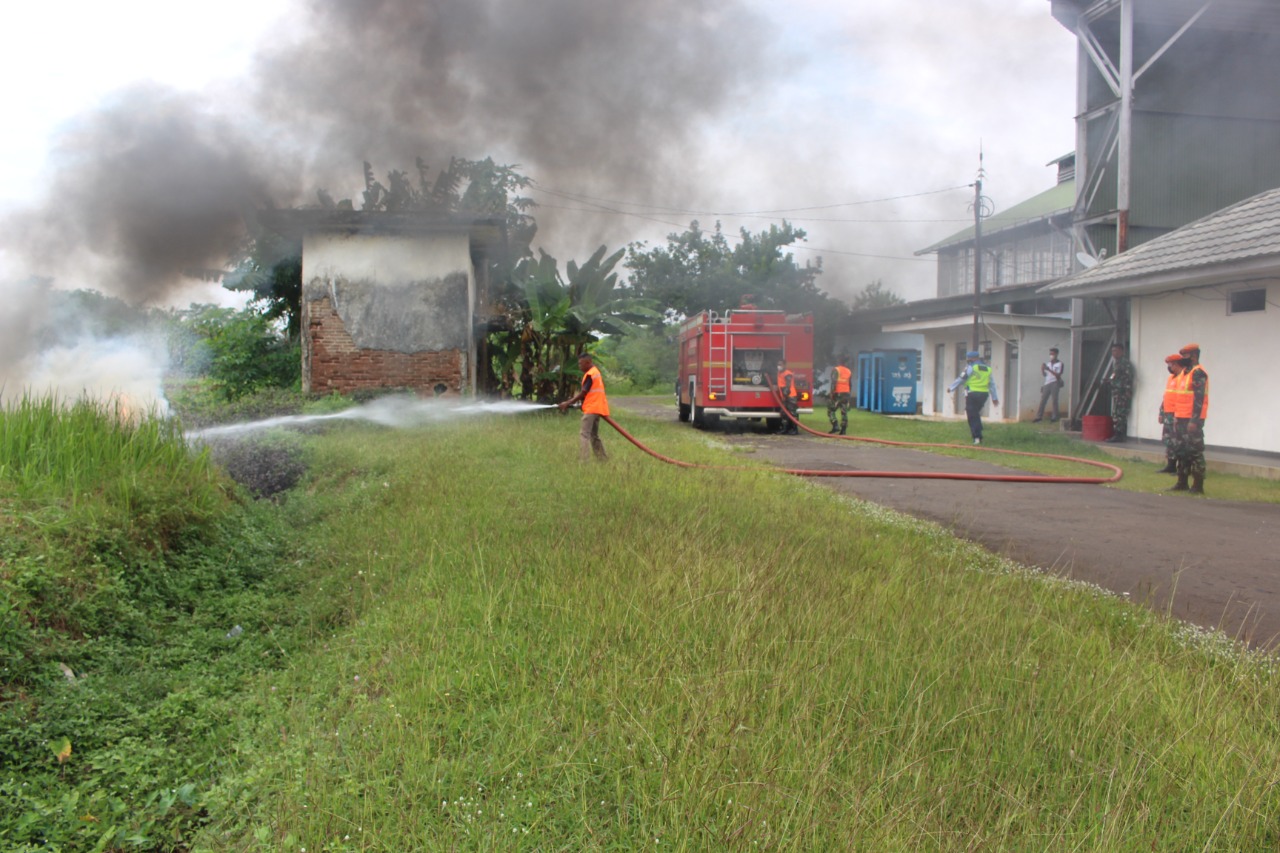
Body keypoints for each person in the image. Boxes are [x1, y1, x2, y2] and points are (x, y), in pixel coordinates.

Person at [1170, 343, 1209, 494]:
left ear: (1193, 355)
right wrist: (1175, 417)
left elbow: (1198, 399)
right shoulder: (1184, 374)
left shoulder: (1198, 373)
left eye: (1185, 355)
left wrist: (1194, 420)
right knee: (1182, 451)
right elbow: (1180, 398)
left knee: (1195, 452)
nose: (1182, 358)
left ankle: (1198, 485)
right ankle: (1182, 482)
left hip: (1192, 420)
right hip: (1180, 418)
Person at [558, 352, 609, 461]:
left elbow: (583, 393)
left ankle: (584, 461)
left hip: (592, 409)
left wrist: (567, 403)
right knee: (594, 436)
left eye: (581, 364)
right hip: (597, 408)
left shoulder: (590, 374)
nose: (579, 366)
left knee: (584, 434)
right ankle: (603, 459)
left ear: (588, 362)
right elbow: (590, 394)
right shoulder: (595, 372)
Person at [948, 350, 999, 445]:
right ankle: (978, 431)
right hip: (984, 395)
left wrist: (951, 388)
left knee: (972, 415)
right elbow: (991, 384)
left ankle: (977, 437)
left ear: (972, 358)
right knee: (975, 414)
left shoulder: (971, 367)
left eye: (968, 358)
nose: (968, 360)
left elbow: (962, 378)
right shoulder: (987, 368)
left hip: (972, 394)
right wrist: (994, 397)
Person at [1156, 353, 1187, 474]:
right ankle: (1171, 465)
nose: (1169, 367)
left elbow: (1182, 398)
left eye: (1170, 365)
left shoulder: (1183, 377)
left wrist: (1177, 415)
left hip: (1176, 415)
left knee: (1178, 441)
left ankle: (1180, 467)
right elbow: (1166, 396)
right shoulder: (1171, 378)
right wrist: (1161, 412)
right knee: (1169, 440)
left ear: (1177, 364)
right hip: (1168, 414)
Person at [1103, 343, 1134, 442]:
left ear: (1121, 351)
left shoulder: (1125, 363)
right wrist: (1110, 381)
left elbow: (1128, 378)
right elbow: (1115, 376)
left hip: (1122, 393)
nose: (1113, 353)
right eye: (1112, 351)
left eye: (1115, 351)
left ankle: (1120, 435)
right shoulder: (1117, 363)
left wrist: (1125, 390)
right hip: (1117, 392)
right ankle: (1116, 433)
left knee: (1121, 414)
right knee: (1116, 413)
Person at [1032, 346, 1064, 423]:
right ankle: (1039, 417)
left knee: (1054, 400)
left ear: (1056, 354)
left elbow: (1058, 375)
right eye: (1050, 354)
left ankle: (1054, 417)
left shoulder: (1060, 364)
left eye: (1052, 354)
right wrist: (1042, 369)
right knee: (1043, 400)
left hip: (1055, 383)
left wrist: (1049, 369)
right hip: (1047, 383)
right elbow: (1045, 375)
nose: (1051, 355)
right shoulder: (1048, 363)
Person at [826, 356, 853, 435]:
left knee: (831, 410)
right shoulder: (848, 371)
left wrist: (832, 393)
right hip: (846, 393)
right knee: (844, 412)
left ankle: (835, 425)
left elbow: (834, 382)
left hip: (838, 393)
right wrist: (848, 393)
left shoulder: (836, 370)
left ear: (839, 361)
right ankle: (843, 430)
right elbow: (850, 384)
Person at [775, 358, 799, 435]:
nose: (779, 366)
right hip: (785, 396)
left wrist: (785, 395)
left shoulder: (787, 373)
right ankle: (785, 429)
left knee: (792, 413)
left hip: (790, 396)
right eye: (778, 364)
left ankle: (794, 429)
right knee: (784, 413)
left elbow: (788, 386)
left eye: (780, 364)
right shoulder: (779, 373)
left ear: (784, 365)